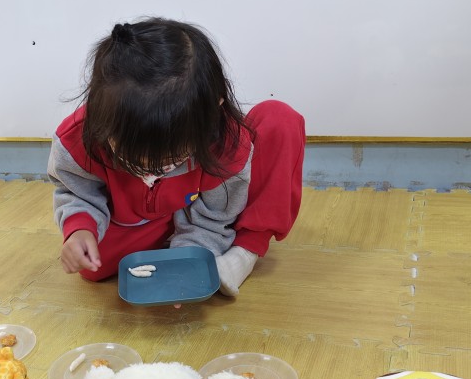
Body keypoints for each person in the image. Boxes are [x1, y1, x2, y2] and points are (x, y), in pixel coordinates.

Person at [48, 17, 305, 298]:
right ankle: (179, 246)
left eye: (172, 155)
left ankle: (244, 252)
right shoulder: (79, 138)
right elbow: (76, 192)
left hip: (214, 215)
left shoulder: (225, 141)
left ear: (212, 113)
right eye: (131, 155)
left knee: (279, 119)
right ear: (100, 117)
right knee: (92, 265)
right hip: (145, 222)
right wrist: (79, 228)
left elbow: (213, 219)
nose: (152, 168)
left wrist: (186, 260)